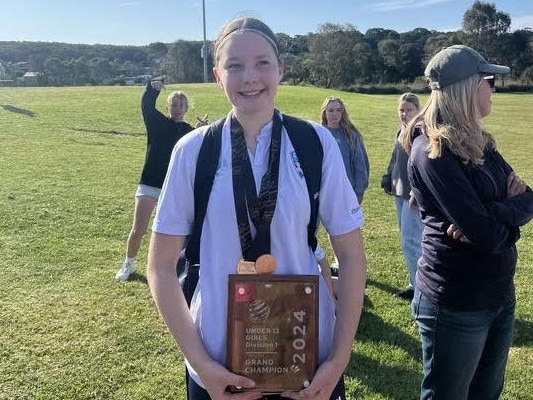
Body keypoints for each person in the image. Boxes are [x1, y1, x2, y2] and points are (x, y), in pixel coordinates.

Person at [146, 16, 367, 400]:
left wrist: (338, 358)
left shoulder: (315, 143)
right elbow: (160, 267)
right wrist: (202, 365)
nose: (250, 76)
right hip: (218, 363)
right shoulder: (193, 151)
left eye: (263, 62)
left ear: (281, 68)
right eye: (234, 65)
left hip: (308, 362)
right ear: (218, 75)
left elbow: (350, 256)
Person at [400, 44, 533, 400]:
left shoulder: (481, 142)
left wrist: (495, 214)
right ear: (467, 88)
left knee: (487, 395)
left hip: (499, 294)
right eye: (489, 80)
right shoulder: (432, 151)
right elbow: (488, 236)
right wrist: (500, 212)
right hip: (456, 302)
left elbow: (528, 198)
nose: (493, 89)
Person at [115, 80, 204, 281]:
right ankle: (128, 263)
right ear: (167, 107)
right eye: (174, 104)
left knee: (174, 232)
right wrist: (151, 89)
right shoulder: (157, 123)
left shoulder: (191, 132)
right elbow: (146, 105)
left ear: (187, 108)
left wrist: (201, 131)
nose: (177, 108)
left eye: (181, 105)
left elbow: (200, 153)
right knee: (138, 228)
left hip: (172, 187)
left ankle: (176, 268)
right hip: (149, 184)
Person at [381, 93, 423, 301]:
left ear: (418, 110)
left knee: (413, 242)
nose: (404, 114)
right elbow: (395, 158)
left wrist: (418, 191)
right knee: (408, 241)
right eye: (401, 110)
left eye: (409, 110)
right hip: (399, 193)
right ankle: (414, 283)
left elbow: (426, 165)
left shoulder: (421, 132)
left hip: (412, 197)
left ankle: (421, 290)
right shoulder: (402, 130)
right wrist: (388, 176)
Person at [320, 96, 369, 204]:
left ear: (343, 112)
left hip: (346, 189)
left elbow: (360, 164)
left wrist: (359, 192)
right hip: (324, 190)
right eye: (331, 110)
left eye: (338, 110)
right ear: (325, 113)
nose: (335, 114)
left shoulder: (350, 135)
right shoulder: (319, 133)